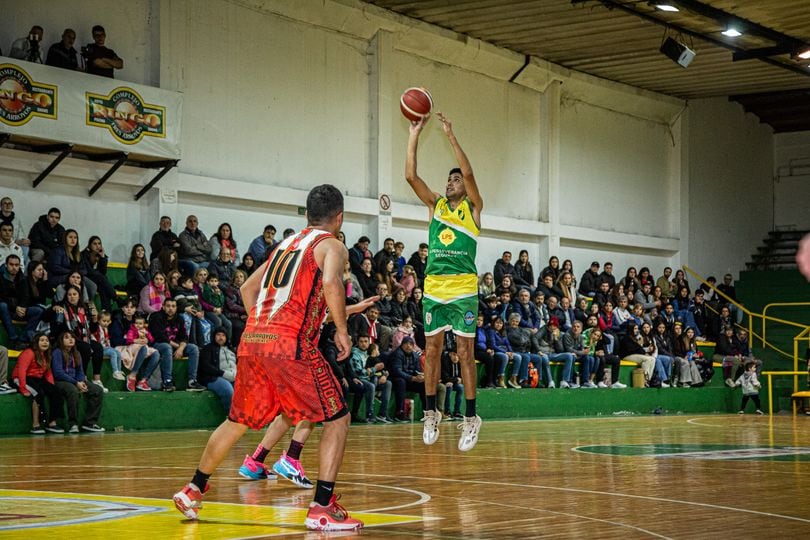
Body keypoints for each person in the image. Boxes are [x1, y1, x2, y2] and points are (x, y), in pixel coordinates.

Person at [173, 185, 369, 531]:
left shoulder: (285, 245)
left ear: (308, 214)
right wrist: (342, 329)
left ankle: (193, 489)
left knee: (238, 421)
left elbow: (248, 289)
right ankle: (322, 507)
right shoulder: (331, 245)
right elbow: (332, 284)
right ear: (339, 217)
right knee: (337, 418)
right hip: (289, 344)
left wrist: (263, 329)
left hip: (254, 339)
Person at [405, 111, 483, 451]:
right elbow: (411, 176)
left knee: (465, 354)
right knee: (432, 351)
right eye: (448, 179)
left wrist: (450, 135)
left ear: (465, 188)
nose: (451, 182)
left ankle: (470, 417)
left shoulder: (474, 209)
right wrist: (414, 133)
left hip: (464, 289)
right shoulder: (436, 206)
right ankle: (431, 412)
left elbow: (467, 171)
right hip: (434, 288)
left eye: (456, 180)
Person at [51, 331, 105, 433]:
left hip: (76, 380)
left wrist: (81, 381)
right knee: (73, 391)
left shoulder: (76, 353)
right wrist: (76, 383)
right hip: (61, 381)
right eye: (67, 338)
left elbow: (80, 371)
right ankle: (73, 424)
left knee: (97, 390)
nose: (71, 339)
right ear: (61, 341)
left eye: (72, 337)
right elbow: (58, 373)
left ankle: (89, 423)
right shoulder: (57, 352)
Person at [12, 333, 64, 434]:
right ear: (36, 342)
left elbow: (48, 373)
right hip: (21, 378)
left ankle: (52, 423)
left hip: (37, 379)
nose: (45, 342)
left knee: (56, 392)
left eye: (47, 340)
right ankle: (35, 425)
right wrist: (23, 388)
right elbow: (22, 371)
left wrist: (52, 386)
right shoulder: (29, 352)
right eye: (42, 340)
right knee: (38, 393)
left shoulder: (46, 355)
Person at [149, 297, 203, 391]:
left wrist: (181, 349)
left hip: (175, 346)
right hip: (158, 345)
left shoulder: (179, 318)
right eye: (168, 306)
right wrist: (178, 347)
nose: (171, 308)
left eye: (173, 306)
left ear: (176, 308)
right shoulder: (156, 317)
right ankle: (167, 381)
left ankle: (192, 381)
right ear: (163, 307)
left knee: (193, 348)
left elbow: (184, 337)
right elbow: (160, 336)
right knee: (167, 347)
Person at [197, 327, 237, 412]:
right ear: (214, 336)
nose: (221, 337)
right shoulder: (208, 348)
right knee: (228, 391)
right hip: (214, 377)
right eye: (218, 335)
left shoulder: (232, 350)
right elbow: (205, 366)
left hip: (233, 376)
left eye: (223, 335)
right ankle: (230, 416)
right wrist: (223, 373)